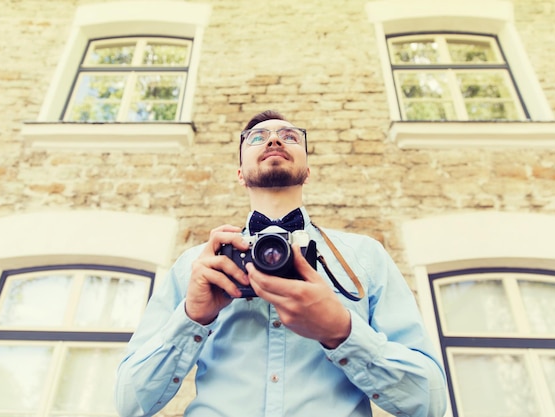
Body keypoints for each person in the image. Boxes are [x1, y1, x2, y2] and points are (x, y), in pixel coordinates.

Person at [115, 110, 447, 417]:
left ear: (308, 170)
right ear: (240, 174)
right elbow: (129, 401)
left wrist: (341, 332)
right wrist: (192, 317)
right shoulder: (197, 266)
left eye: (289, 136)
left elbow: (429, 402)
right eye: (257, 137)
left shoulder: (365, 257)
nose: (274, 140)